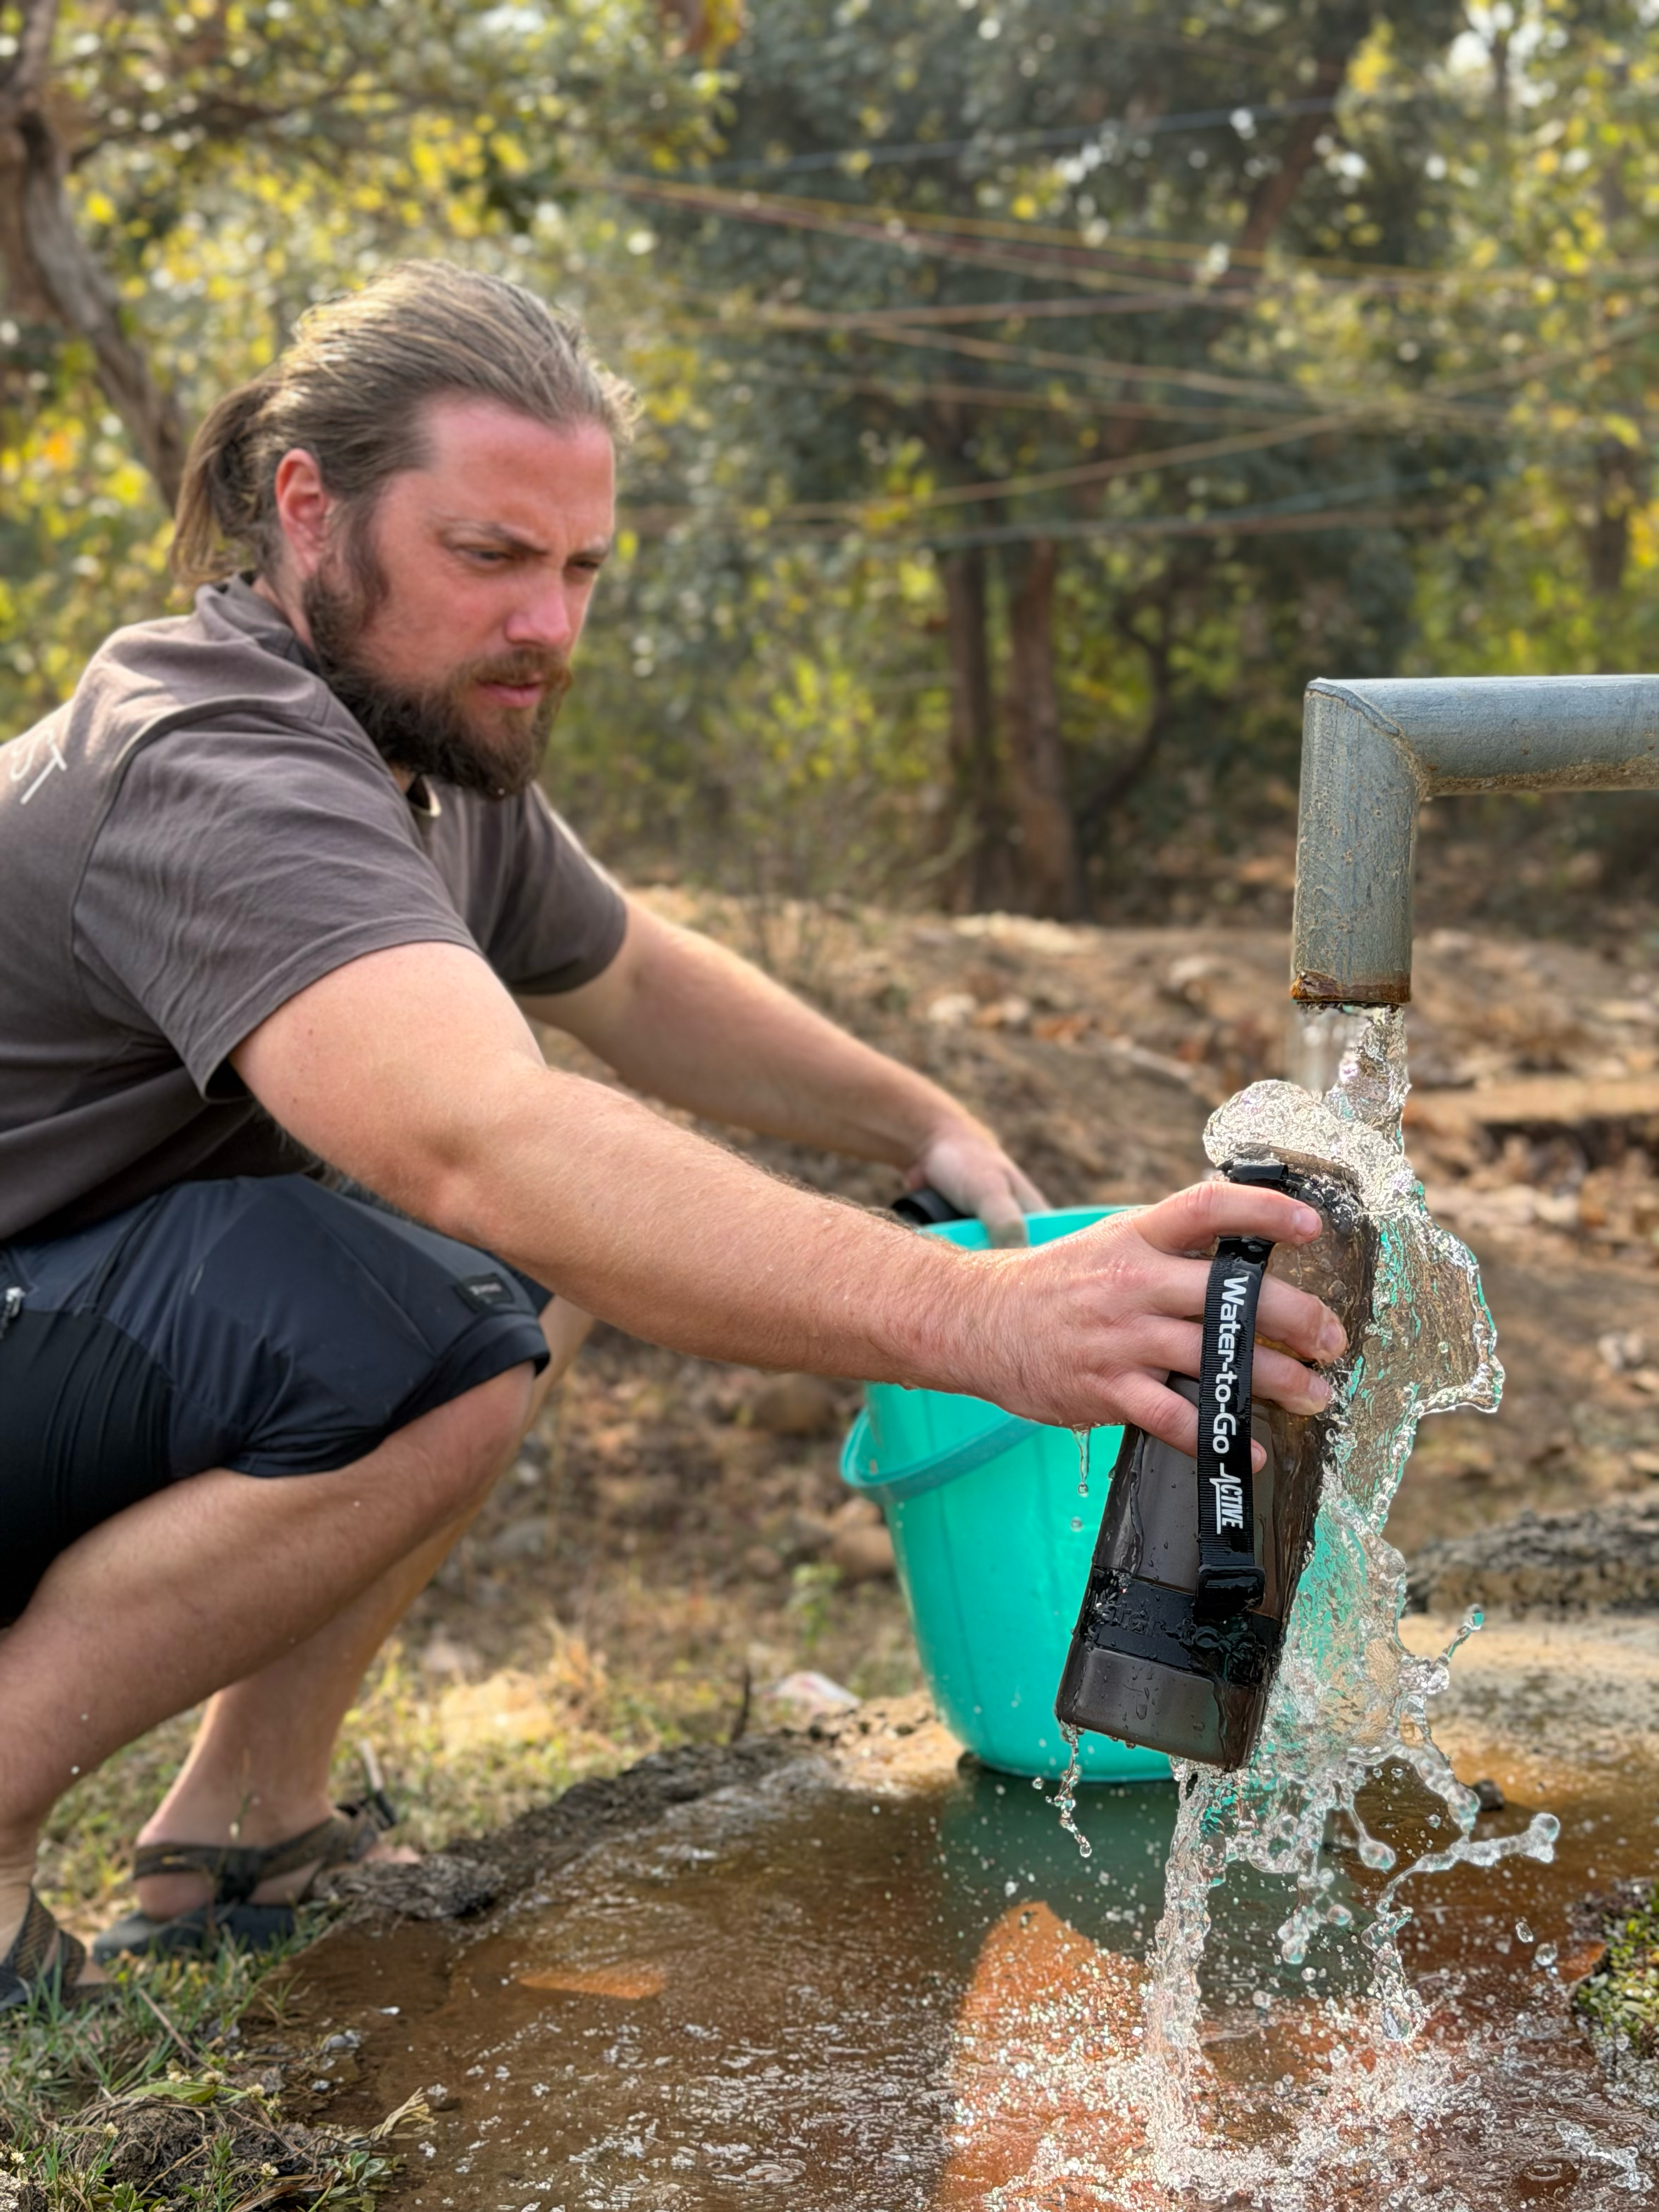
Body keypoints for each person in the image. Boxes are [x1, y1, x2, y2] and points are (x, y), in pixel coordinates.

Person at [0, 261, 1344, 2004]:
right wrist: (988, 1319)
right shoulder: (216, 756)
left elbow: (629, 980)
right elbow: (481, 1140)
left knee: (485, 1277)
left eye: (578, 571)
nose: (549, 627)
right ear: (306, 509)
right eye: (490, 557)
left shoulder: (415, 740)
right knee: (437, 1307)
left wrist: (913, 1109)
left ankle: (244, 1830)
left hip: (54, 1320)